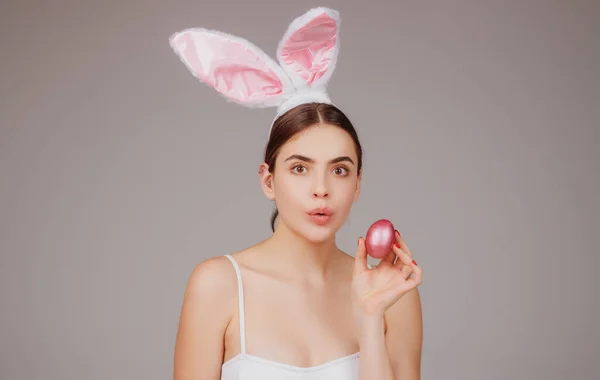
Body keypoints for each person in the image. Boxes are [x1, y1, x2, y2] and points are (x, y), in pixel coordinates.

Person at [168, 7, 423, 380]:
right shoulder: (218, 284)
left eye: (339, 170)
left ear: (357, 184)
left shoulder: (392, 294)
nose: (321, 190)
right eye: (300, 168)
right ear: (268, 181)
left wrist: (370, 317)